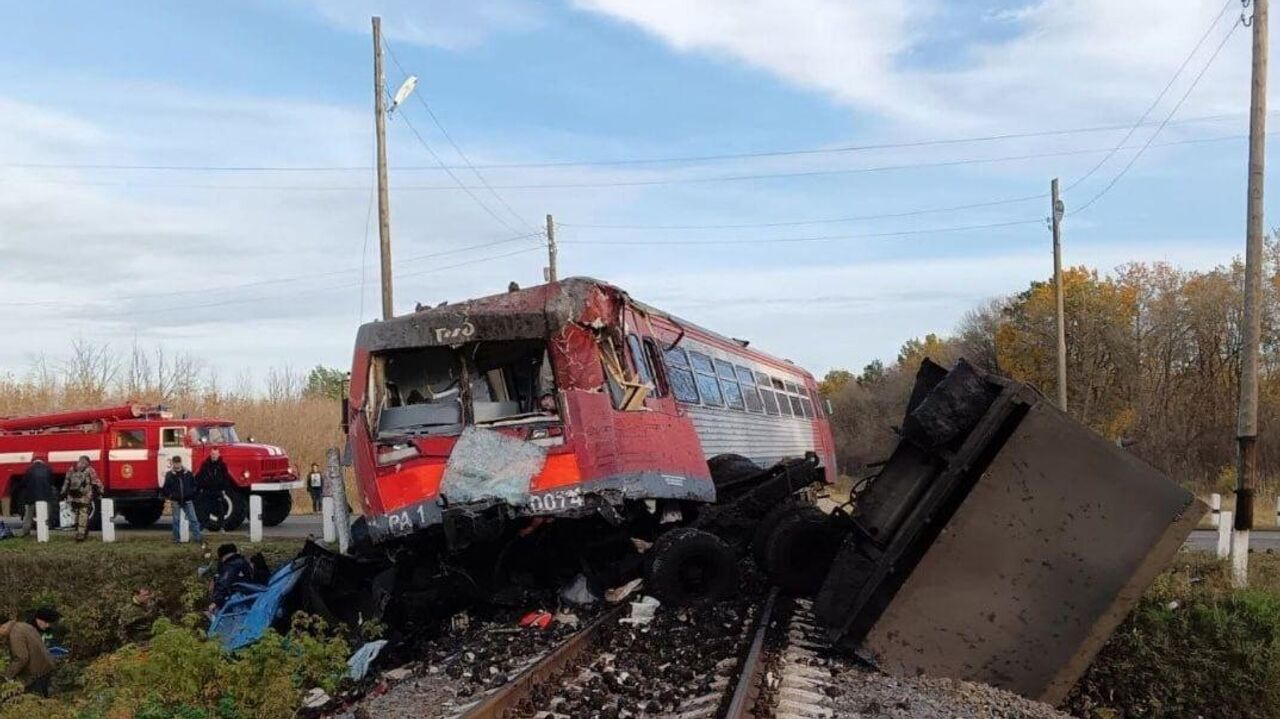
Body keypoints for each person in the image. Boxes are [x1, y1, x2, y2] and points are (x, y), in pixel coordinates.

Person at [1, 608, 58, 696]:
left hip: (37, 673)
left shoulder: (15, 634)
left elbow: (21, 658)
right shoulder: (23, 625)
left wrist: (7, 676)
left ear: (3, 626)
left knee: (35, 703)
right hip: (46, 668)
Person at [60, 456, 103, 542]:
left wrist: (63, 494)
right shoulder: (89, 469)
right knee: (83, 513)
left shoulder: (72, 469)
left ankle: (78, 529)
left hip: (73, 496)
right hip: (85, 496)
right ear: (87, 462)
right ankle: (81, 534)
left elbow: (66, 482)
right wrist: (101, 491)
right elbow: (96, 482)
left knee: (77, 512)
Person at [161, 456, 203, 544]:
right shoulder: (169, 475)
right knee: (176, 521)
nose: (177, 464)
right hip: (175, 501)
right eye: (175, 462)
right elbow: (165, 488)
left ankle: (198, 539)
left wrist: (191, 494)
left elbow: (194, 485)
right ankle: (176, 539)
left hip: (188, 500)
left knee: (194, 519)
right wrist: (170, 496)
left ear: (181, 462)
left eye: (178, 462)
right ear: (173, 463)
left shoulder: (188, 473)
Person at [195, 448, 233, 532]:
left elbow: (226, 478)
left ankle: (221, 527)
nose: (214, 456)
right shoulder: (205, 464)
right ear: (210, 454)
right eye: (212, 454)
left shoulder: (222, 465)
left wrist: (224, 489)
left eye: (215, 454)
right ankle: (204, 527)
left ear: (218, 455)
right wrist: (201, 487)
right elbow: (200, 476)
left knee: (221, 510)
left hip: (218, 491)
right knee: (205, 510)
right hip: (207, 490)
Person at [209, 544, 253, 612]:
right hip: (248, 596)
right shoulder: (243, 562)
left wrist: (215, 602)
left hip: (237, 599)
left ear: (223, 557)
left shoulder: (231, 565)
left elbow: (223, 582)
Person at [17, 460, 54, 538]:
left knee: (28, 516)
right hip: (45, 497)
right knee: (45, 515)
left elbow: (23, 483)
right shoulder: (48, 469)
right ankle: (45, 532)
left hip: (31, 497)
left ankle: (26, 532)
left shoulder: (29, 470)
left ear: (33, 463)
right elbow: (51, 482)